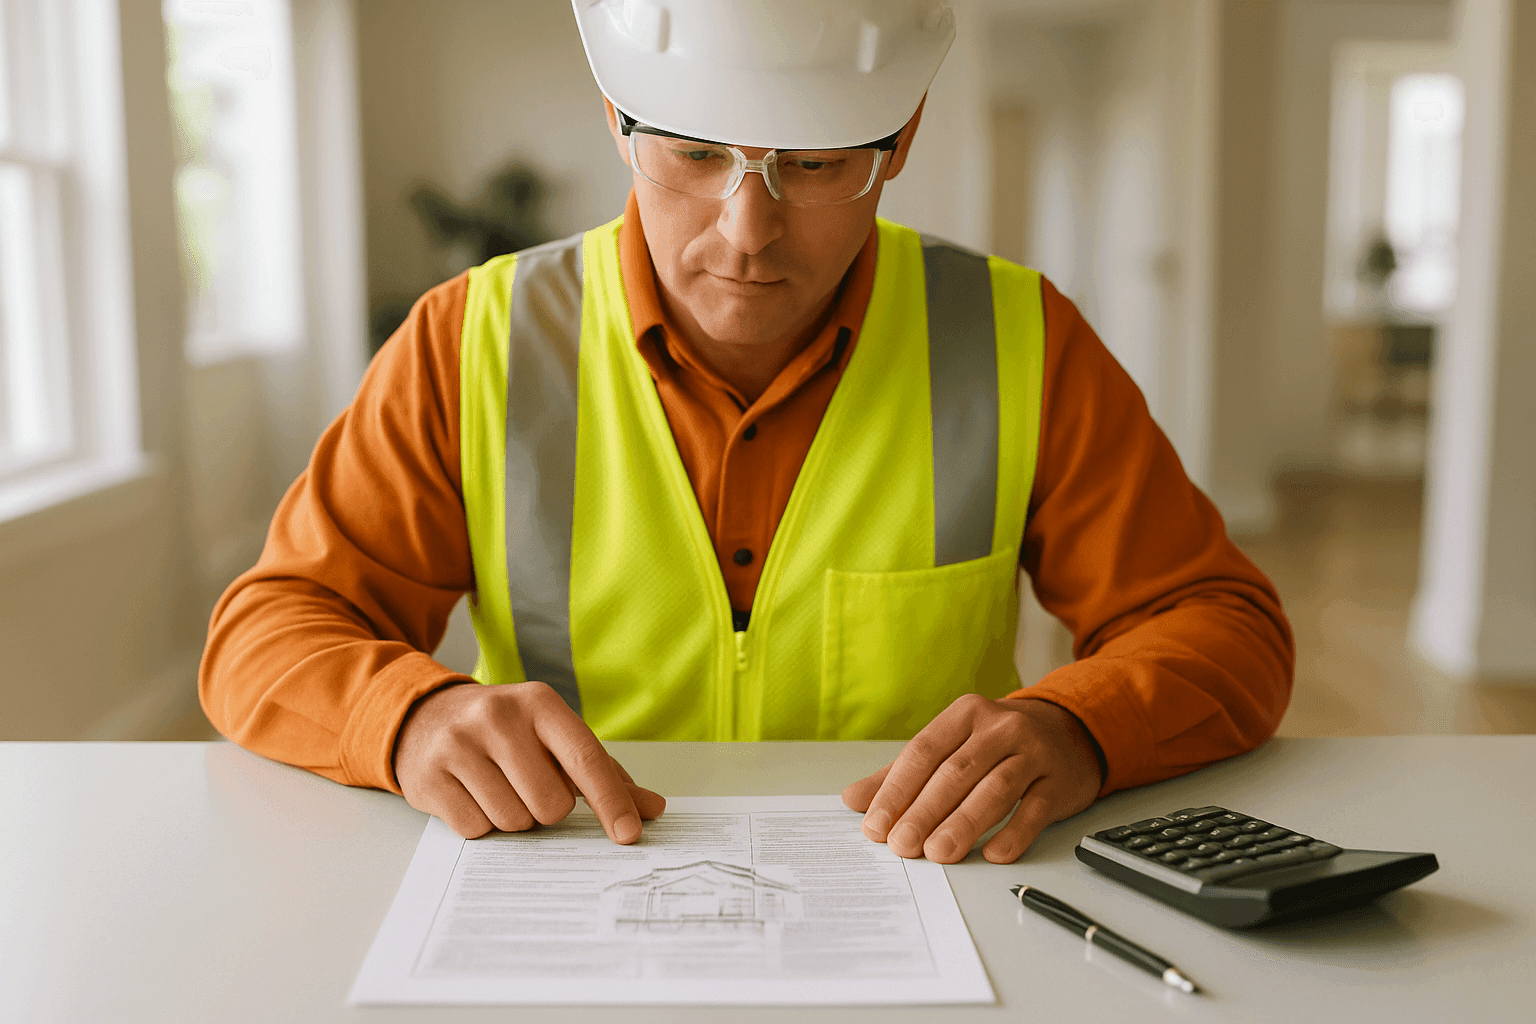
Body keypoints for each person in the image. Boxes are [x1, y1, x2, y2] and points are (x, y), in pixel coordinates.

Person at [200, 0, 1293, 866]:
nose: (748, 229)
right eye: (694, 155)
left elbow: (1223, 623)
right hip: (567, 897)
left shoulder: (1020, 340)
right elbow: (267, 630)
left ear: (900, 138)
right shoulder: (466, 344)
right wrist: (411, 716)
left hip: (918, 896)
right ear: (617, 120)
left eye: (815, 165)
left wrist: (1081, 727)